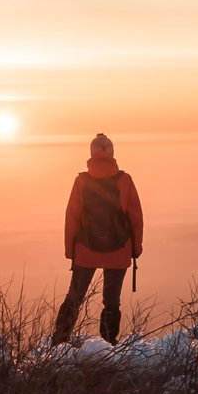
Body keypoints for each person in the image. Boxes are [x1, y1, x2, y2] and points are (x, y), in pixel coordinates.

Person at [55, 133, 144, 345]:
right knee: (112, 303)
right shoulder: (125, 180)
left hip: (85, 250)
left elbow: (72, 218)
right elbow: (136, 218)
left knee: (74, 298)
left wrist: (71, 252)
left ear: (91, 154)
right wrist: (135, 249)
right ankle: (108, 345)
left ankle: (59, 342)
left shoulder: (81, 181)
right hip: (119, 249)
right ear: (112, 153)